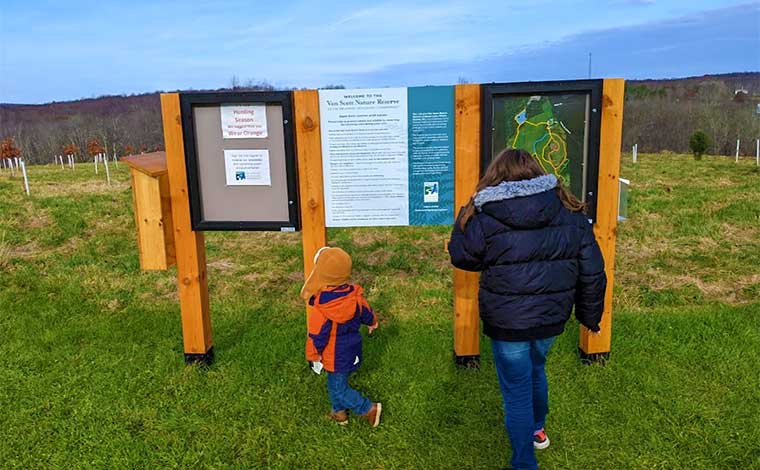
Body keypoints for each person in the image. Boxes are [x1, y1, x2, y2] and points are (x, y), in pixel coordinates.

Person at [448, 148, 607, 470]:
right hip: (550, 317)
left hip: (507, 321)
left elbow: (462, 256)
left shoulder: (485, 213)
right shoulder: (569, 210)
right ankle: (537, 430)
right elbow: (592, 270)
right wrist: (590, 317)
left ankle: (523, 463)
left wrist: (467, 210)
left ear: (495, 175)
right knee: (536, 369)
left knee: (516, 391)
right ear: (537, 173)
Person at [301, 246, 382, 427]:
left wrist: (312, 356)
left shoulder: (322, 308)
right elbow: (367, 312)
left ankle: (368, 408)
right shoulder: (354, 296)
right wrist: (372, 323)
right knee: (335, 384)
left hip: (333, 355)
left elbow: (316, 336)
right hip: (352, 348)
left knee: (339, 388)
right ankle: (339, 413)